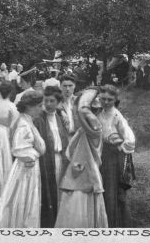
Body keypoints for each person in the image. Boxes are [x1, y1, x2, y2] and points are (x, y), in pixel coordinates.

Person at [55, 88, 108, 228]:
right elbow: (70, 152)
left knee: (79, 209)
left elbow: (82, 111)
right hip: (78, 174)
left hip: (85, 175)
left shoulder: (95, 128)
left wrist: (89, 94)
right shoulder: (83, 130)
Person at [0, 91, 46, 228]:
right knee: (22, 199)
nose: (42, 108)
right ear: (30, 107)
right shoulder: (24, 124)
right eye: (39, 106)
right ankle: (20, 225)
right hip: (26, 169)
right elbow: (18, 149)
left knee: (26, 199)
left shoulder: (28, 121)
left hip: (28, 168)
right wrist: (32, 155)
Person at [97, 85, 136, 227]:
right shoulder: (99, 112)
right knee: (103, 189)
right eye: (103, 99)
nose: (106, 102)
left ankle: (116, 225)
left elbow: (130, 140)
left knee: (113, 193)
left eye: (110, 99)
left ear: (115, 100)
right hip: (101, 155)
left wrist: (120, 146)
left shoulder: (117, 116)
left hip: (113, 158)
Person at [33, 86, 70, 227]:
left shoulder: (60, 116)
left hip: (60, 159)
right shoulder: (38, 119)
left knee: (60, 189)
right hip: (45, 161)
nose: (48, 104)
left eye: (52, 101)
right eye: (46, 101)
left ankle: (60, 220)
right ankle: (48, 221)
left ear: (58, 102)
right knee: (48, 191)